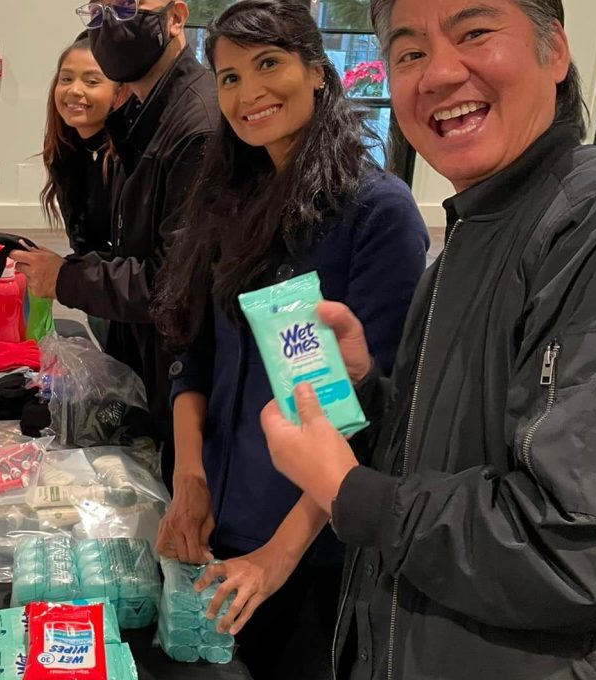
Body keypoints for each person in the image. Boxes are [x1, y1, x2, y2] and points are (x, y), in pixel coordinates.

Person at [259, 1, 596, 678]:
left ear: (555, 54)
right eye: (409, 53)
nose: (438, 74)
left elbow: (579, 551)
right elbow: (446, 458)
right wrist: (364, 392)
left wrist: (348, 491)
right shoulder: (467, 238)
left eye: (474, 34)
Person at [150, 2, 428, 677]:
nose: (249, 94)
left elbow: (373, 414)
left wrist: (276, 556)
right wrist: (190, 478)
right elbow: (193, 351)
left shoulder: (376, 212)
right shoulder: (228, 198)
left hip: (311, 546)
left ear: (317, 72)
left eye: (268, 64)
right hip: (219, 515)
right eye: (229, 78)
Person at [12, 0, 220, 484]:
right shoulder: (147, 121)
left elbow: (169, 286)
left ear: (175, 16)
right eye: (100, 8)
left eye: (129, 6)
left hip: (184, 371)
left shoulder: (195, 126)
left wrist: (64, 278)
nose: (112, 22)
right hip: (149, 354)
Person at [40, 33, 119, 256]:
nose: (74, 90)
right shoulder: (66, 151)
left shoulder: (128, 160)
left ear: (119, 92)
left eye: (91, 81)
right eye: (65, 79)